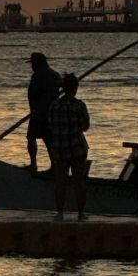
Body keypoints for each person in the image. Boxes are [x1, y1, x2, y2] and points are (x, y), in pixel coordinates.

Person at [46, 72, 91, 221]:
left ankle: (59, 213)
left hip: (59, 150)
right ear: (76, 88)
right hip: (77, 149)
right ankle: (81, 213)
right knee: (79, 182)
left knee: (60, 183)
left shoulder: (54, 105)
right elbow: (85, 127)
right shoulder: (79, 105)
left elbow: (51, 125)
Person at [26, 51, 62, 173]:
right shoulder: (54, 74)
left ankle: (33, 164)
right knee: (49, 140)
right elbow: (62, 85)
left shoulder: (37, 75)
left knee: (31, 137)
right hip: (51, 113)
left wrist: (32, 109)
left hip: (39, 112)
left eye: (32, 63)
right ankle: (54, 166)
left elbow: (32, 94)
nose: (31, 66)